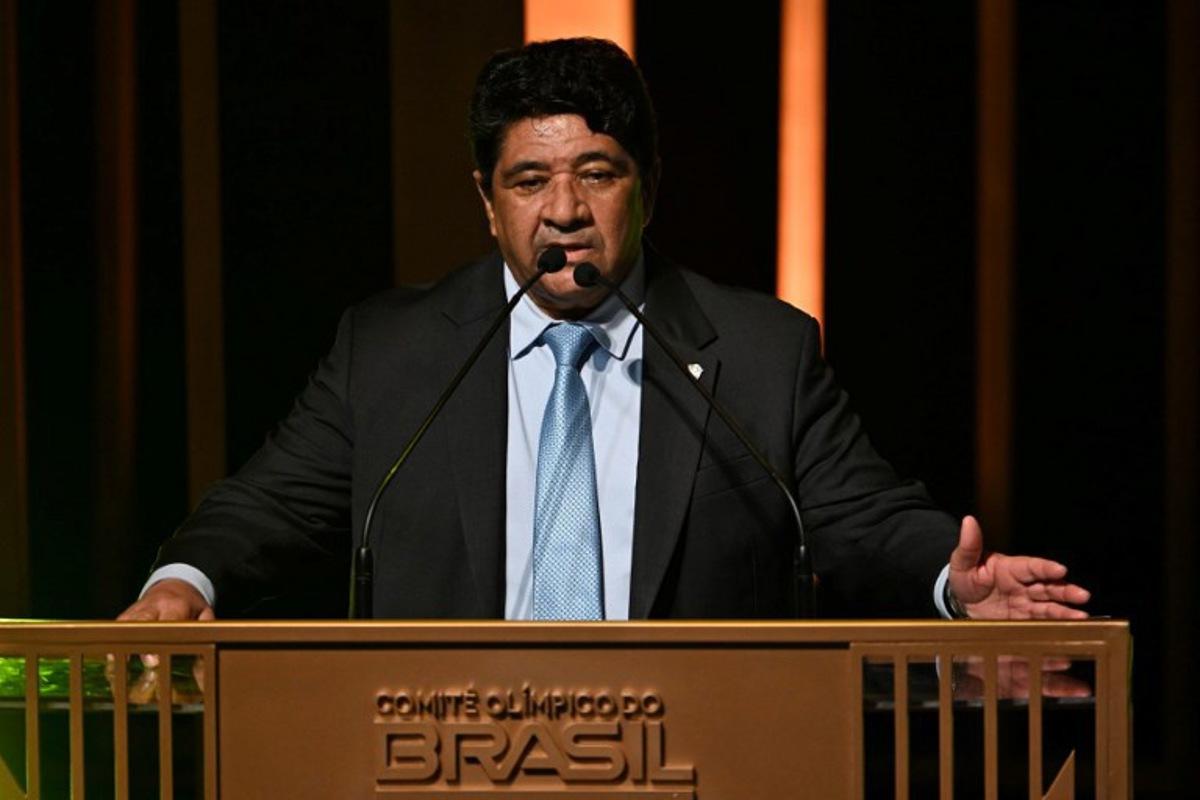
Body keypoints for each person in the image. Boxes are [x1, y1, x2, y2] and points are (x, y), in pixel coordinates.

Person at [119, 38, 1089, 624]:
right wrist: (183, 575)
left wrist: (947, 578)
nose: (566, 209)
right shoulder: (395, 352)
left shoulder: (759, 352)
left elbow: (857, 512)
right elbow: (268, 505)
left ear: (649, 186)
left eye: (600, 171)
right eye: (530, 180)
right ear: (486, 202)